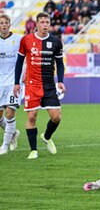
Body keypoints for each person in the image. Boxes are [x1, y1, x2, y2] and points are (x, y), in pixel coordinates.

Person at [14, 12, 66, 159]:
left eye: (47, 22)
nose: (44, 25)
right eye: (42, 22)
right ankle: (33, 150)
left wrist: (60, 80)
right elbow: (19, 62)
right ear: (36, 24)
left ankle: (47, 136)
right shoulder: (26, 40)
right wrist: (16, 82)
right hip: (32, 84)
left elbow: (60, 64)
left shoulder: (56, 41)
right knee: (32, 116)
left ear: (49, 24)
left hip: (49, 84)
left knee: (56, 117)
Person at [0, 14, 21, 155]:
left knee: (9, 112)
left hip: (13, 82)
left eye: (6, 22)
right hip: (0, 81)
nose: (4, 25)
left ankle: (4, 146)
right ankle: (13, 133)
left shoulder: (18, 39)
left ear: (10, 25)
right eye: (1, 23)